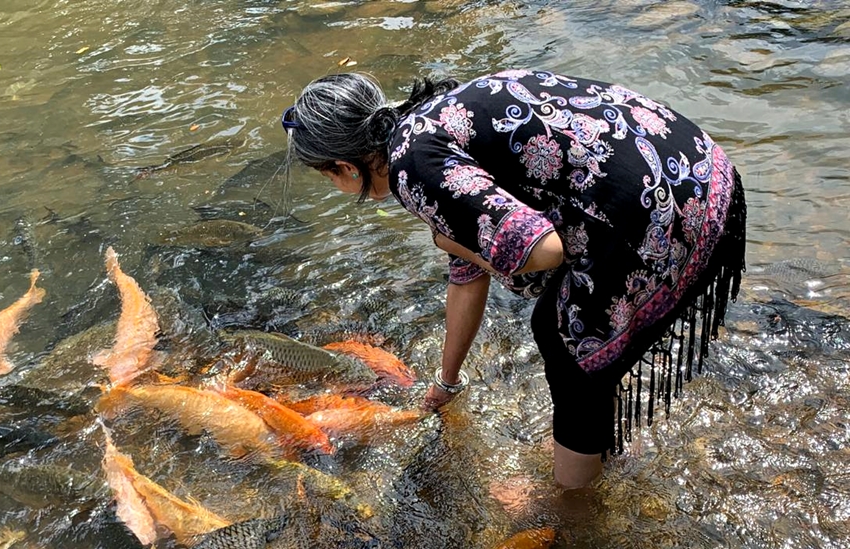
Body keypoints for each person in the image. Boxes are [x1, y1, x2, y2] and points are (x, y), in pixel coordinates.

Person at [280, 69, 746, 491]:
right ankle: (592, 448)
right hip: (701, 167)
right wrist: (447, 382)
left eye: (328, 177)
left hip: (668, 210)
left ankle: (570, 500)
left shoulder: (414, 163)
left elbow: (543, 252)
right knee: (565, 322)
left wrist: (448, 241)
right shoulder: (430, 115)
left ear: (344, 167)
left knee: (565, 338)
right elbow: (468, 276)